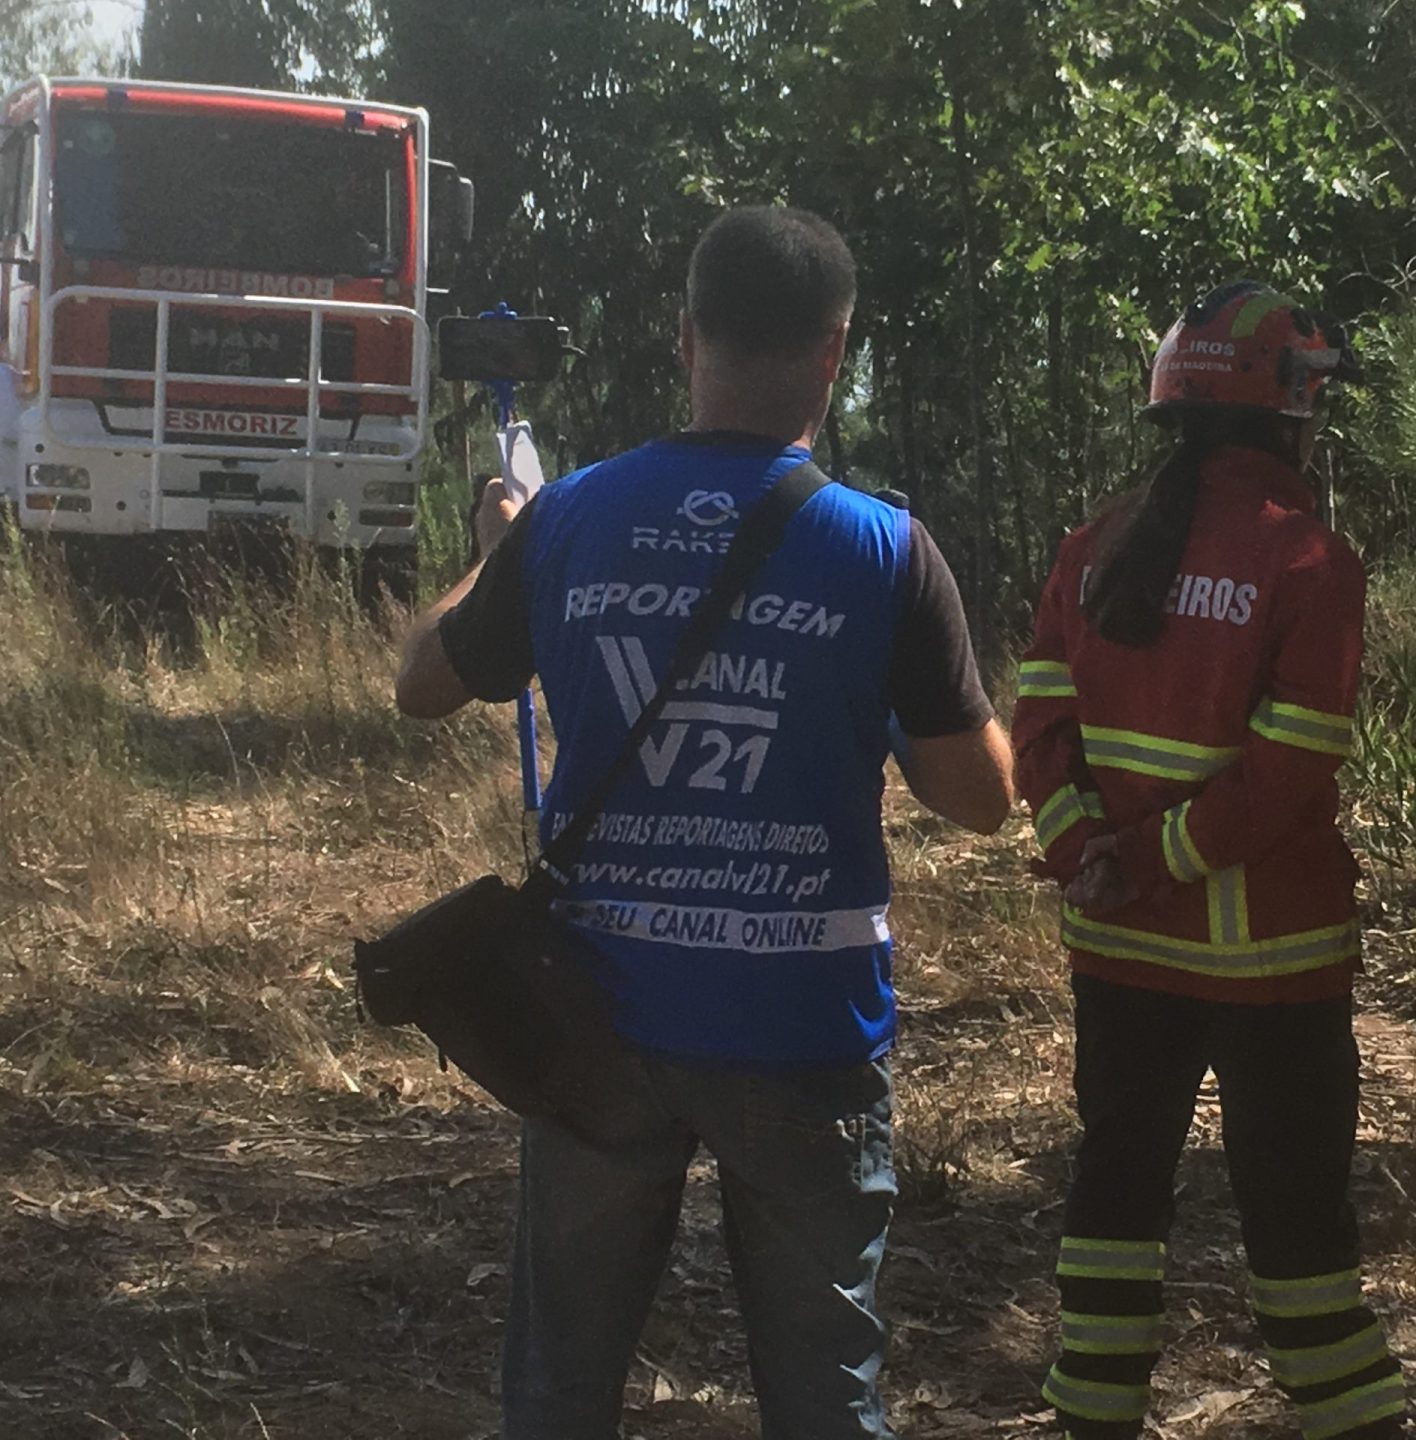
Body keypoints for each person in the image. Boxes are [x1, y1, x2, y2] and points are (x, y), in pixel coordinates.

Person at [394, 204, 1014, 1440]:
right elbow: (982, 803)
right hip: (802, 1025)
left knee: (561, 1386)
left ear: (686, 337)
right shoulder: (885, 551)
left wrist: (494, 551)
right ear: (836, 351)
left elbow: (421, 684)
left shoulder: (569, 519)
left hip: (597, 1019)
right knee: (827, 1392)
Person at [1012, 282, 1406, 1440]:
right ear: (1289, 414)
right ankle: (1351, 1421)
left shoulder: (1095, 547)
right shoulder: (1309, 563)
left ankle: (1092, 1414)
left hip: (1120, 953)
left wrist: (1093, 854)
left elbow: (1038, 721)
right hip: (1274, 966)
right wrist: (1156, 857)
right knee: (1297, 1228)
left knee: (1115, 1193)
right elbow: (1290, 769)